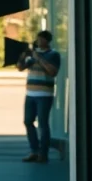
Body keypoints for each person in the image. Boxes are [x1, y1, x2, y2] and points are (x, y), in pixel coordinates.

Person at [16, 30, 61, 163]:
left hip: (44, 95)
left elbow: (53, 72)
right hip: (30, 94)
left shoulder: (53, 55)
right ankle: (34, 151)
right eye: (37, 39)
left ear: (47, 41)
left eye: (41, 39)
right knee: (28, 121)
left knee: (43, 124)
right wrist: (23, 56)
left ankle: (43, 153)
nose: (38, 41)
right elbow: (20, 67)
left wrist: (39, 58)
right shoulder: (33, 56)